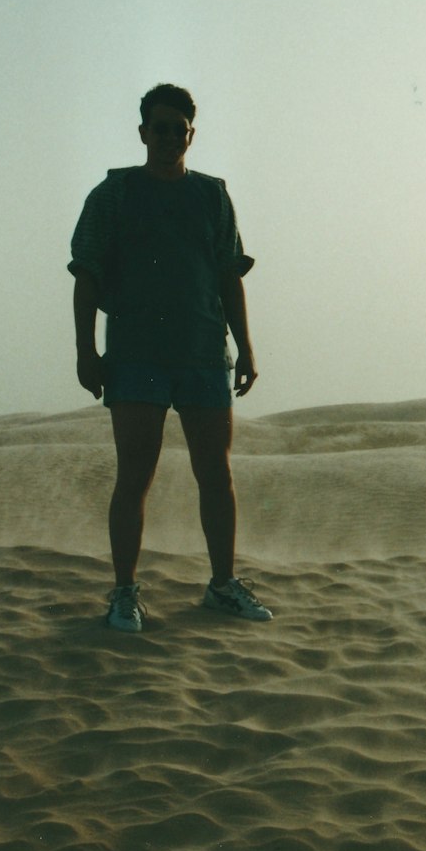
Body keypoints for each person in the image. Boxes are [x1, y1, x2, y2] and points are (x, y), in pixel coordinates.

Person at [69, 83, 272, 632]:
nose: (167, 139)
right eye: (158, 128)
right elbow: (86, 275)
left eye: (177, 130)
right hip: (135, 353)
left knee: (216, 473)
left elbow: (229, 274)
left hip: (204, 352)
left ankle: (223, 585)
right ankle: (124, 592)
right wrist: (87, 350)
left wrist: (246, 345)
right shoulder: (111, 196)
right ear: (142, 133)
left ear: (191, 136)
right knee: (134, 475)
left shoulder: (213, 195)